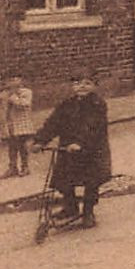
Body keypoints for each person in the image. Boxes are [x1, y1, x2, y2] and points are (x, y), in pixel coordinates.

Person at [32, 71, 111, 227]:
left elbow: (92, 126)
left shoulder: (97, 104)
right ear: (72, 86)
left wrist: (80, 143)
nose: (82, 86)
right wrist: (40, 140)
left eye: (87, 83)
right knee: (63, 178)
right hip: (68, 149)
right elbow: (53, 123)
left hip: (91, 149)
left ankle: (88, 212)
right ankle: (70, 207)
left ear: (95, 86)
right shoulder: (66, 104)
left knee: (91, 182)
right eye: (77, 83)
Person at [0, 74, 34, 179]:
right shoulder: (3, 94)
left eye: (17, 79)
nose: (14, 82)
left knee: (22, 145)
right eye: (11, 79)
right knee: (12, 146)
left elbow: (24, 104)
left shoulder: (26, 92)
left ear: (21, 80)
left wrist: (13, 96)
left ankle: (25, 167)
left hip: (22, 122)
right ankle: (12, 167)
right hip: (9, 123)